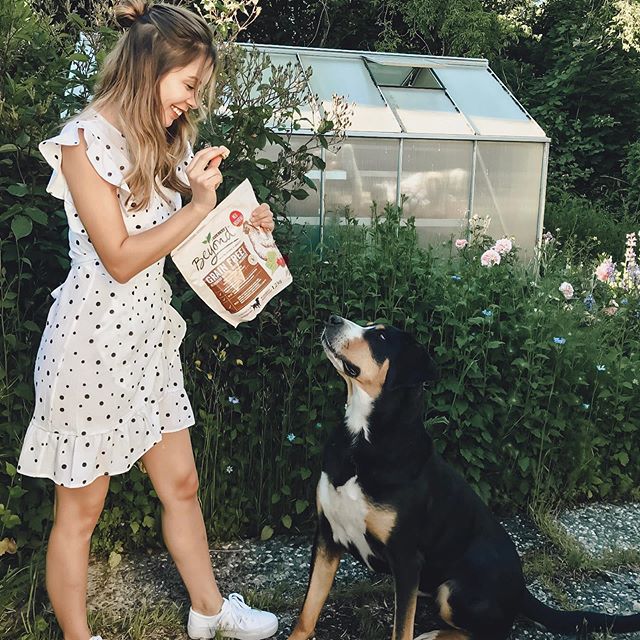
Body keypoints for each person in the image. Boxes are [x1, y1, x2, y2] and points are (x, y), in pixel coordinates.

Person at [16, 2, 279, 639]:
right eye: (188, 84)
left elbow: (177, 239)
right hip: (88, 347)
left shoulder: (165, 140)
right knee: (80, 514)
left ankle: (209, 612)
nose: (192, 102)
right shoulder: (82, 144)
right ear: (149, 66)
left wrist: (238, 223)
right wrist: (200, 204)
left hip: (147, 345)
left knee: (182, 483)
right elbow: (123, 255)